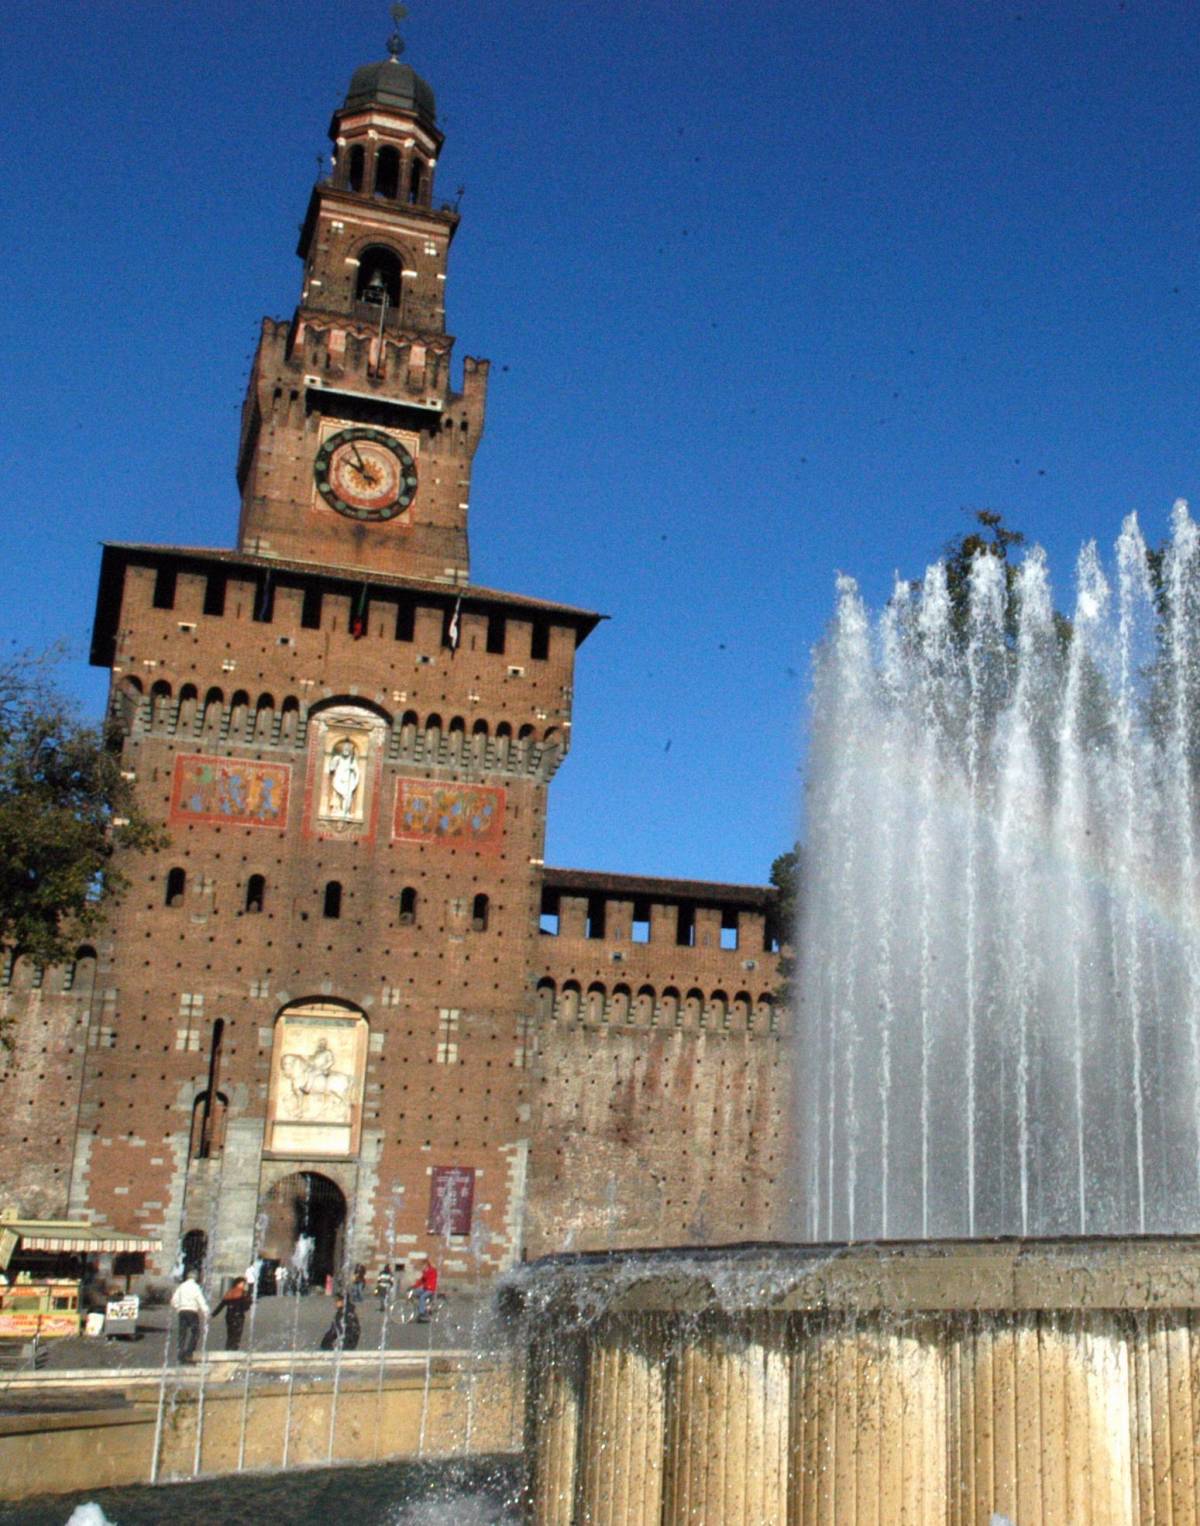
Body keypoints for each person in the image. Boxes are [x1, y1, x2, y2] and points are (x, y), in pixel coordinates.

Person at [170, 1270, 210, 1364]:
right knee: (195, 1332)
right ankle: (189, 1353)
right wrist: (206, 1312)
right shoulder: (196, 1287)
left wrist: (178, 1307)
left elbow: (173, 1300)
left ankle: (180, 1354)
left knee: (182, 1333)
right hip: (192, 1311)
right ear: (196, 1278)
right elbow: (200, 1299)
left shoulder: (181, 1286)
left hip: (182, 1311)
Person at [212, 1276, 253, 1351]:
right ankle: (234, 1349)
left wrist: (213, 1314)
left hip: (229, 1316)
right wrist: (249, 1302)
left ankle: (228, 1349)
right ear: (238, 1284)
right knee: (237, 1334)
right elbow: (246, 1306)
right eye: (243, 1283)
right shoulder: (243, 1293)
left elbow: (222, 1304)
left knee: (230, 1334)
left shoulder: (230, 1292)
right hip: (239, 1316)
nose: (244, 1285)